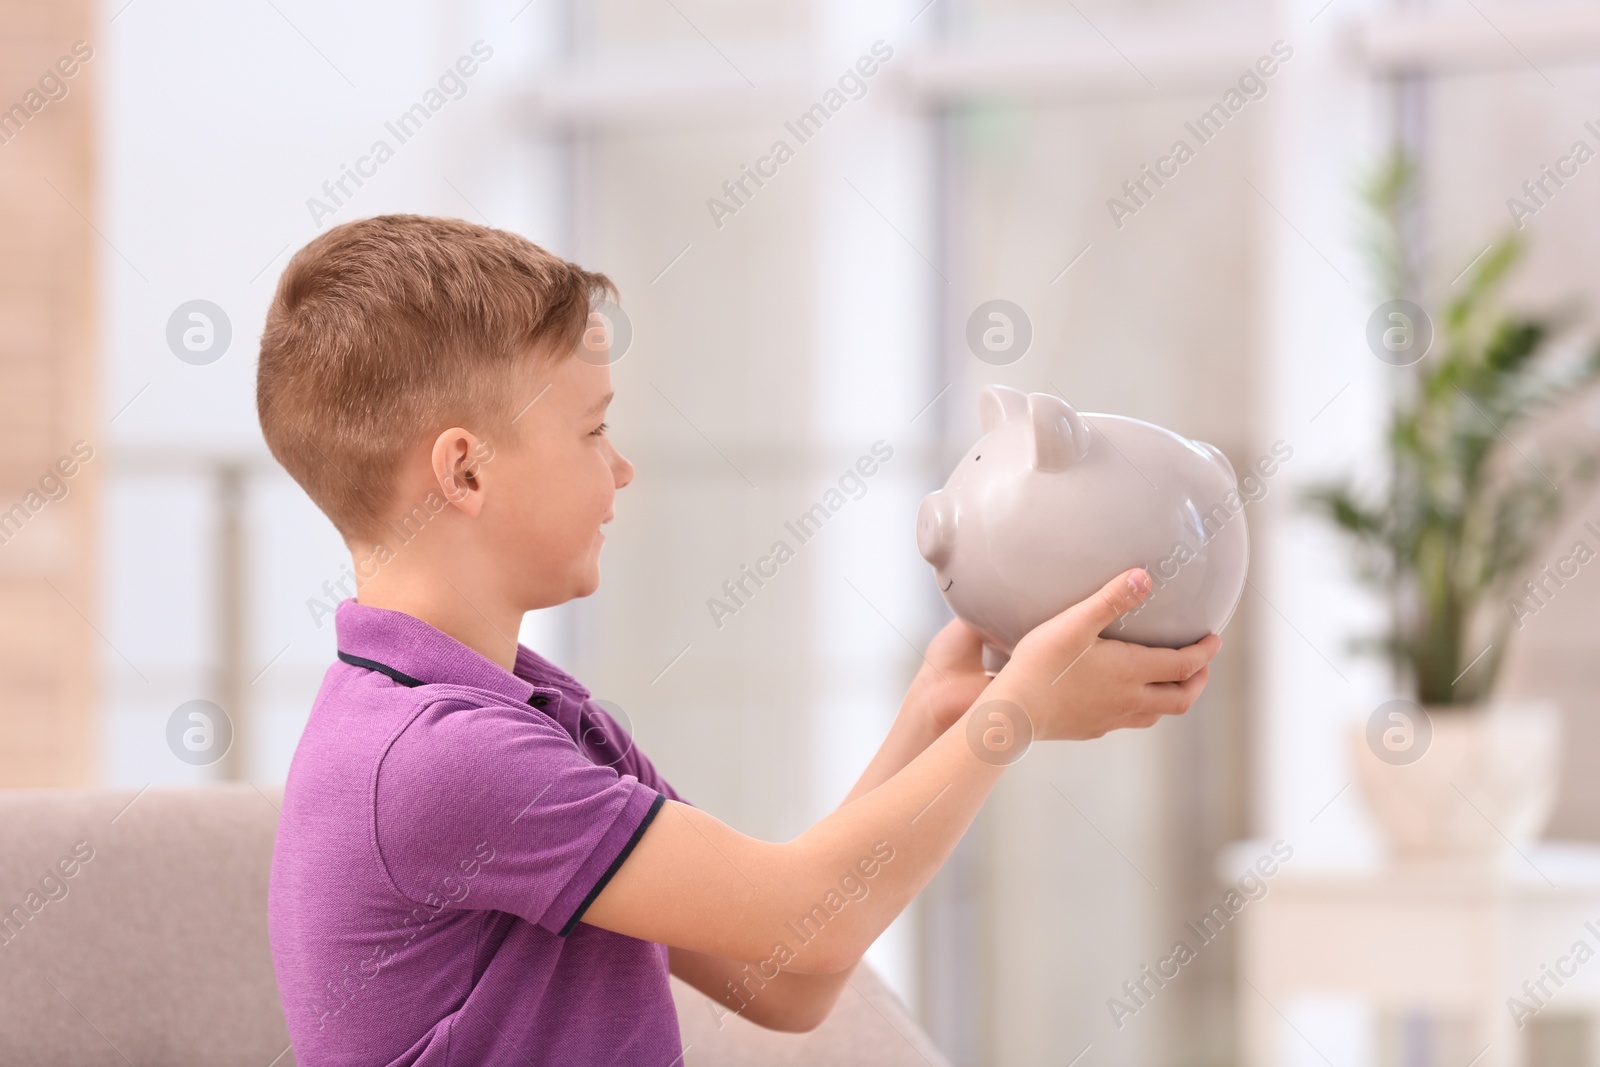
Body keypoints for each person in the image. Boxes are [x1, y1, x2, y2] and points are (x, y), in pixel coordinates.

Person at [258, 214, 1221, 1066]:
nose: (622, 467)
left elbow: (787, 975)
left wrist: (940, 711)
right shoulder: (442, 759)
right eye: (593, 430)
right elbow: (807, 921)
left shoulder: (534, 713)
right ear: (465, 472)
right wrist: (1012, 715)